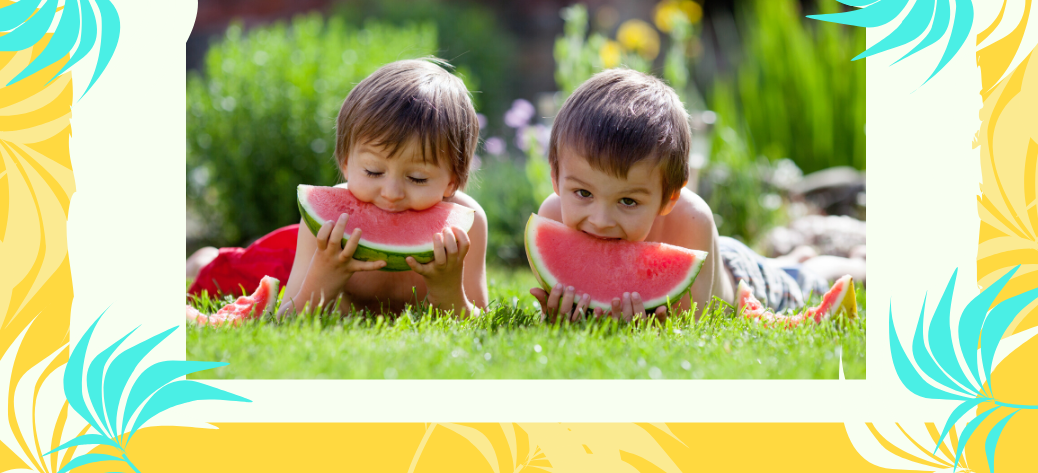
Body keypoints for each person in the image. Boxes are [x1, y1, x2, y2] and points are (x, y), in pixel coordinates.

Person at [190, 58, 488, 318]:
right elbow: (286, 319)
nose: (391, 192)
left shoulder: (468, 224)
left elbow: (478, 320)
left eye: (418, 178)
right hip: (301, 257)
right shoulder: (324, 224)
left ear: (453, 179)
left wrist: (449, 289)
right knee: (229, 271)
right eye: (373, 171)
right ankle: (204, 258)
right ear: (345, 163)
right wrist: (324, 274)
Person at [530, 68, 827, 323]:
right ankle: (793, 258)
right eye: (583, 193)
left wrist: (642, 328)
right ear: (555, 177)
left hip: (740, 275)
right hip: (716, 254)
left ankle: (841, 263)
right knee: (788, 263)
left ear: (669, 196)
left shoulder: (691, 218)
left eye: (628, 201)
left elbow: (693, 323)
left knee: (807, 279)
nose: (601, 220)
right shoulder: (552, 219)